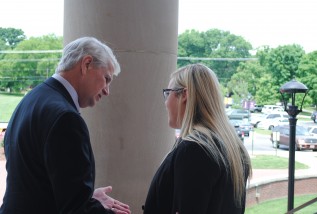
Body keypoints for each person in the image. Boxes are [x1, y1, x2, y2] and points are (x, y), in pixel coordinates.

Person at [0, 37, 131, 214]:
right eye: (106, 79)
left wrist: (88, 197)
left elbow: (37, 184)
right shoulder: (66, 118)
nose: (107, 91)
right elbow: (75, 210)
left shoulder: (30, 100)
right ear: (86, 64)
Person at [143, 63, 252, 214]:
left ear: (184, 95)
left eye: (168, 93)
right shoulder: (233, 147)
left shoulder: (194, 149)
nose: (166, 102)